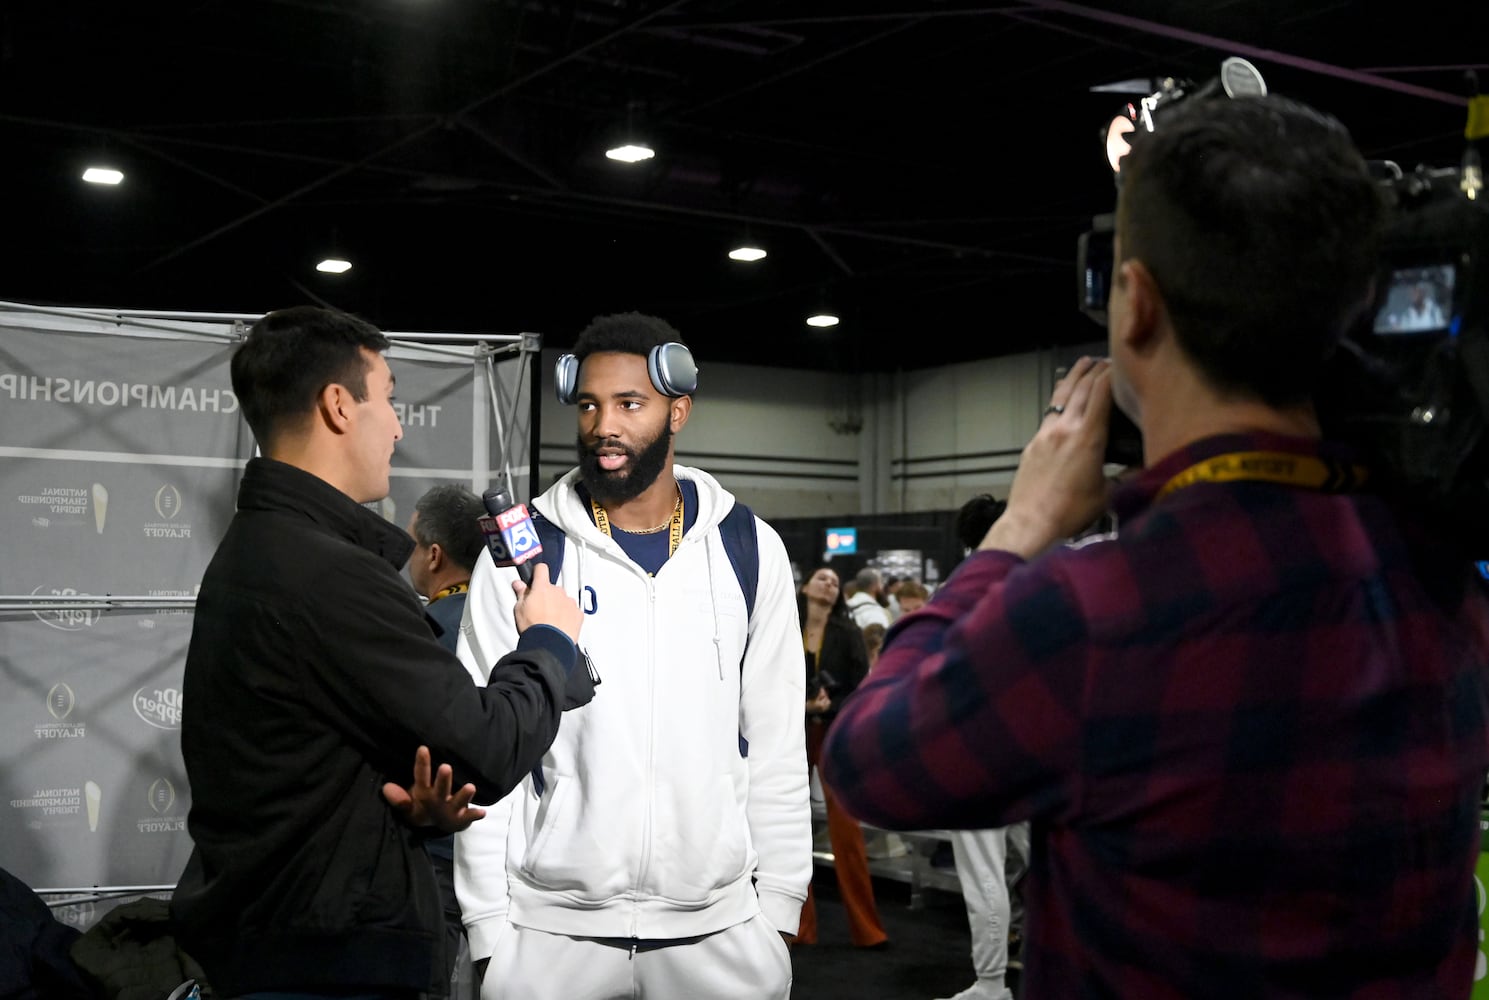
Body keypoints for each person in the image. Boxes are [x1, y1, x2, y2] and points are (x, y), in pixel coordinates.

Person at [821, 93, 1489, 998]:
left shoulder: (1095, 615)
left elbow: (871, 762)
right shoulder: (1440, 579)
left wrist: (1019, 528)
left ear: (1134, 305)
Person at [171, 305, 589, 1000]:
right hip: (322, 962)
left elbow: (310, 748)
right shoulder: (323, 573)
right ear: (338, 405)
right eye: (389, 398)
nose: (397, 425)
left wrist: (406, 806)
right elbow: (486, 748)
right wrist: (546, 639)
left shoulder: (264, 550)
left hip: (294, 940)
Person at [453, 312, 810, 1000]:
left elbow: (774, 739)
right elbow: (482, 746)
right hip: (551, 935)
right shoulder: (526, 555)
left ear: (678, 412)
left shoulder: (746, 546)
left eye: (629, 404)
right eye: (588, 405)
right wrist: (492, 930)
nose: (602, 426)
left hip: (722, 930)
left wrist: (779, 911)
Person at [407, 482, 491, 996]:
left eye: (413, 544)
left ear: (434, 555)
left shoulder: (419, 632)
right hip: (507, 854)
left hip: (439, 851)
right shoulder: (516, 621)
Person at [796, 565, 890, 950]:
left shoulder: (848, 633)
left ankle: (867, 928)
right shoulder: (782, 627)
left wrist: (829, 703)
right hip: (792, 734)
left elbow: (860, 687)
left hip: (834, 734)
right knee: (790, 830)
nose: (830, 583)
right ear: (804, 588)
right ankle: (799, 927)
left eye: (836, 580)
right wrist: (801, 705)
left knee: (847, 831)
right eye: (822, 578)